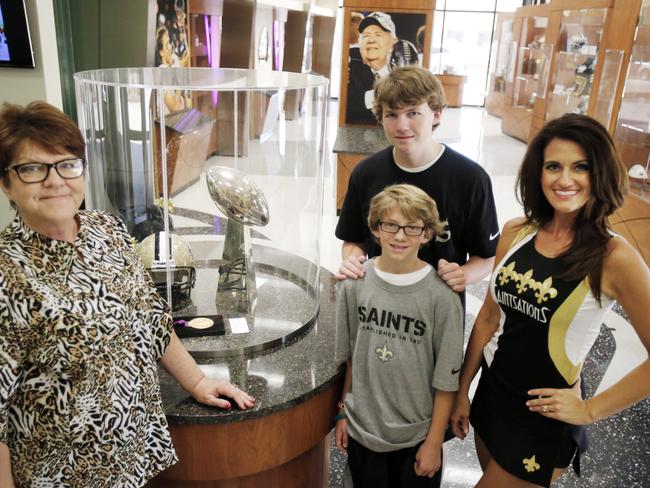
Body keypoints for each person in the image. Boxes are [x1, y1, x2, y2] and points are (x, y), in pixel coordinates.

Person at [0, 101, 255, 487]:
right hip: (62, 475)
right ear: (7, 184)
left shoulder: (107, 230)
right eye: (33, 168)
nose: (55, 181)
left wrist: (198, 382)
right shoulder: (7, 273)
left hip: (132, 456)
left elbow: (151, 318)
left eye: (68, 164)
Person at [450, 113, 650, 487]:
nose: (564, 179)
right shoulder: (515, 232)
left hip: (544, 418)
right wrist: (463, 390)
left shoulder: (614, 257)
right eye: (553, 166)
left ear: (600, 173)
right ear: (538, 173)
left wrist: (590, 410)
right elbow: (490, 318)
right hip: (493, 396)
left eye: (581, 167)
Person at [335, 184, 464, 487]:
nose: (400, 235)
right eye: (390, 225)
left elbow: (446, 381)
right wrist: (342, 413)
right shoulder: (354, 285)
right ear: (376, 229)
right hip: (362, 430)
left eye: (412, 227)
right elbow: (352, 357)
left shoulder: (442, 297)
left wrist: (434, 443)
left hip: (416, 437)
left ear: (427, 233)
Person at [337, 65, 499, 299]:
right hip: (376, 304)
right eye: (391, 114)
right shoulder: (365, 172)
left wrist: (462, 274)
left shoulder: (471, 178)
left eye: (413, 113)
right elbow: (353, 239)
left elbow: (485, 256)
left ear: (436, 114)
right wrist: (352, 259)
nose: (402, 126)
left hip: (437, 309)